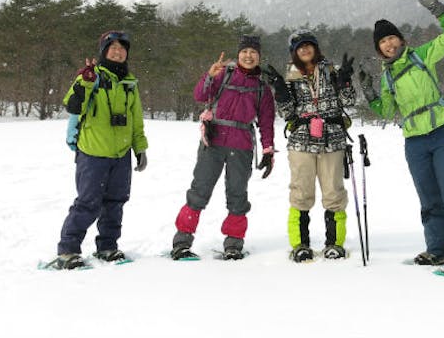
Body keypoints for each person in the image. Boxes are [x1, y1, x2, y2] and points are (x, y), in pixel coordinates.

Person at [358, 0, 444, 275]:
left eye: (391, 37)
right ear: (379, 49)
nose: (388, 44)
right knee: (428, 197)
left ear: (401, 39)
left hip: (441, 131)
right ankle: (438, 250)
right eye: (382, 42)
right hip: (414, 140)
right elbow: (386, 111)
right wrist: (370, 93)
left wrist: (439, 11)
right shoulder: (387, 77)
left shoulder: (421, 55)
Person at [47, 30, 149, 270]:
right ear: (103, 51)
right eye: (112, 47)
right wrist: (84, 81)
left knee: (115, 202)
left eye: (122, 48)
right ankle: (68, 250)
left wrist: (140, 148)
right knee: (87, 203)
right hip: (93, 152)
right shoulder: (91, 76)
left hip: (121, 154)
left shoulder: (129, 84)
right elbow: (72, 105)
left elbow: (136, 120)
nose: (118, 51)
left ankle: (107, 246)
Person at [170, 35, 275, 260]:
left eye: (253, 53)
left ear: (259, 57)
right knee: (199, 191)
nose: (248, 56)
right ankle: (182, 241)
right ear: (238, 55)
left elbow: (266, 122)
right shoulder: (223, 75)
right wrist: (209, 76)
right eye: (244, 52)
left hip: (243, 145)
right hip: (214, 141)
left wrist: (268, 150)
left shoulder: (262, 88)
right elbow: (200, 95)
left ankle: (234, 244)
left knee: (237, 196)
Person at [262, 30, 356, 262]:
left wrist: (345, 81)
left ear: (315, 48)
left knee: (334, 194)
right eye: (299, 47)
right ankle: (300, 244)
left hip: (332, 140)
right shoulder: (290, 78)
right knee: (301, 194)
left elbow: (349, 101)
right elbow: (287, 114)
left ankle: (335, 244)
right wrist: (281, 93)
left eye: (308, 45)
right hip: (301, 142)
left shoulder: (331, 72)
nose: (304, 49)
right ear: (293, 52)